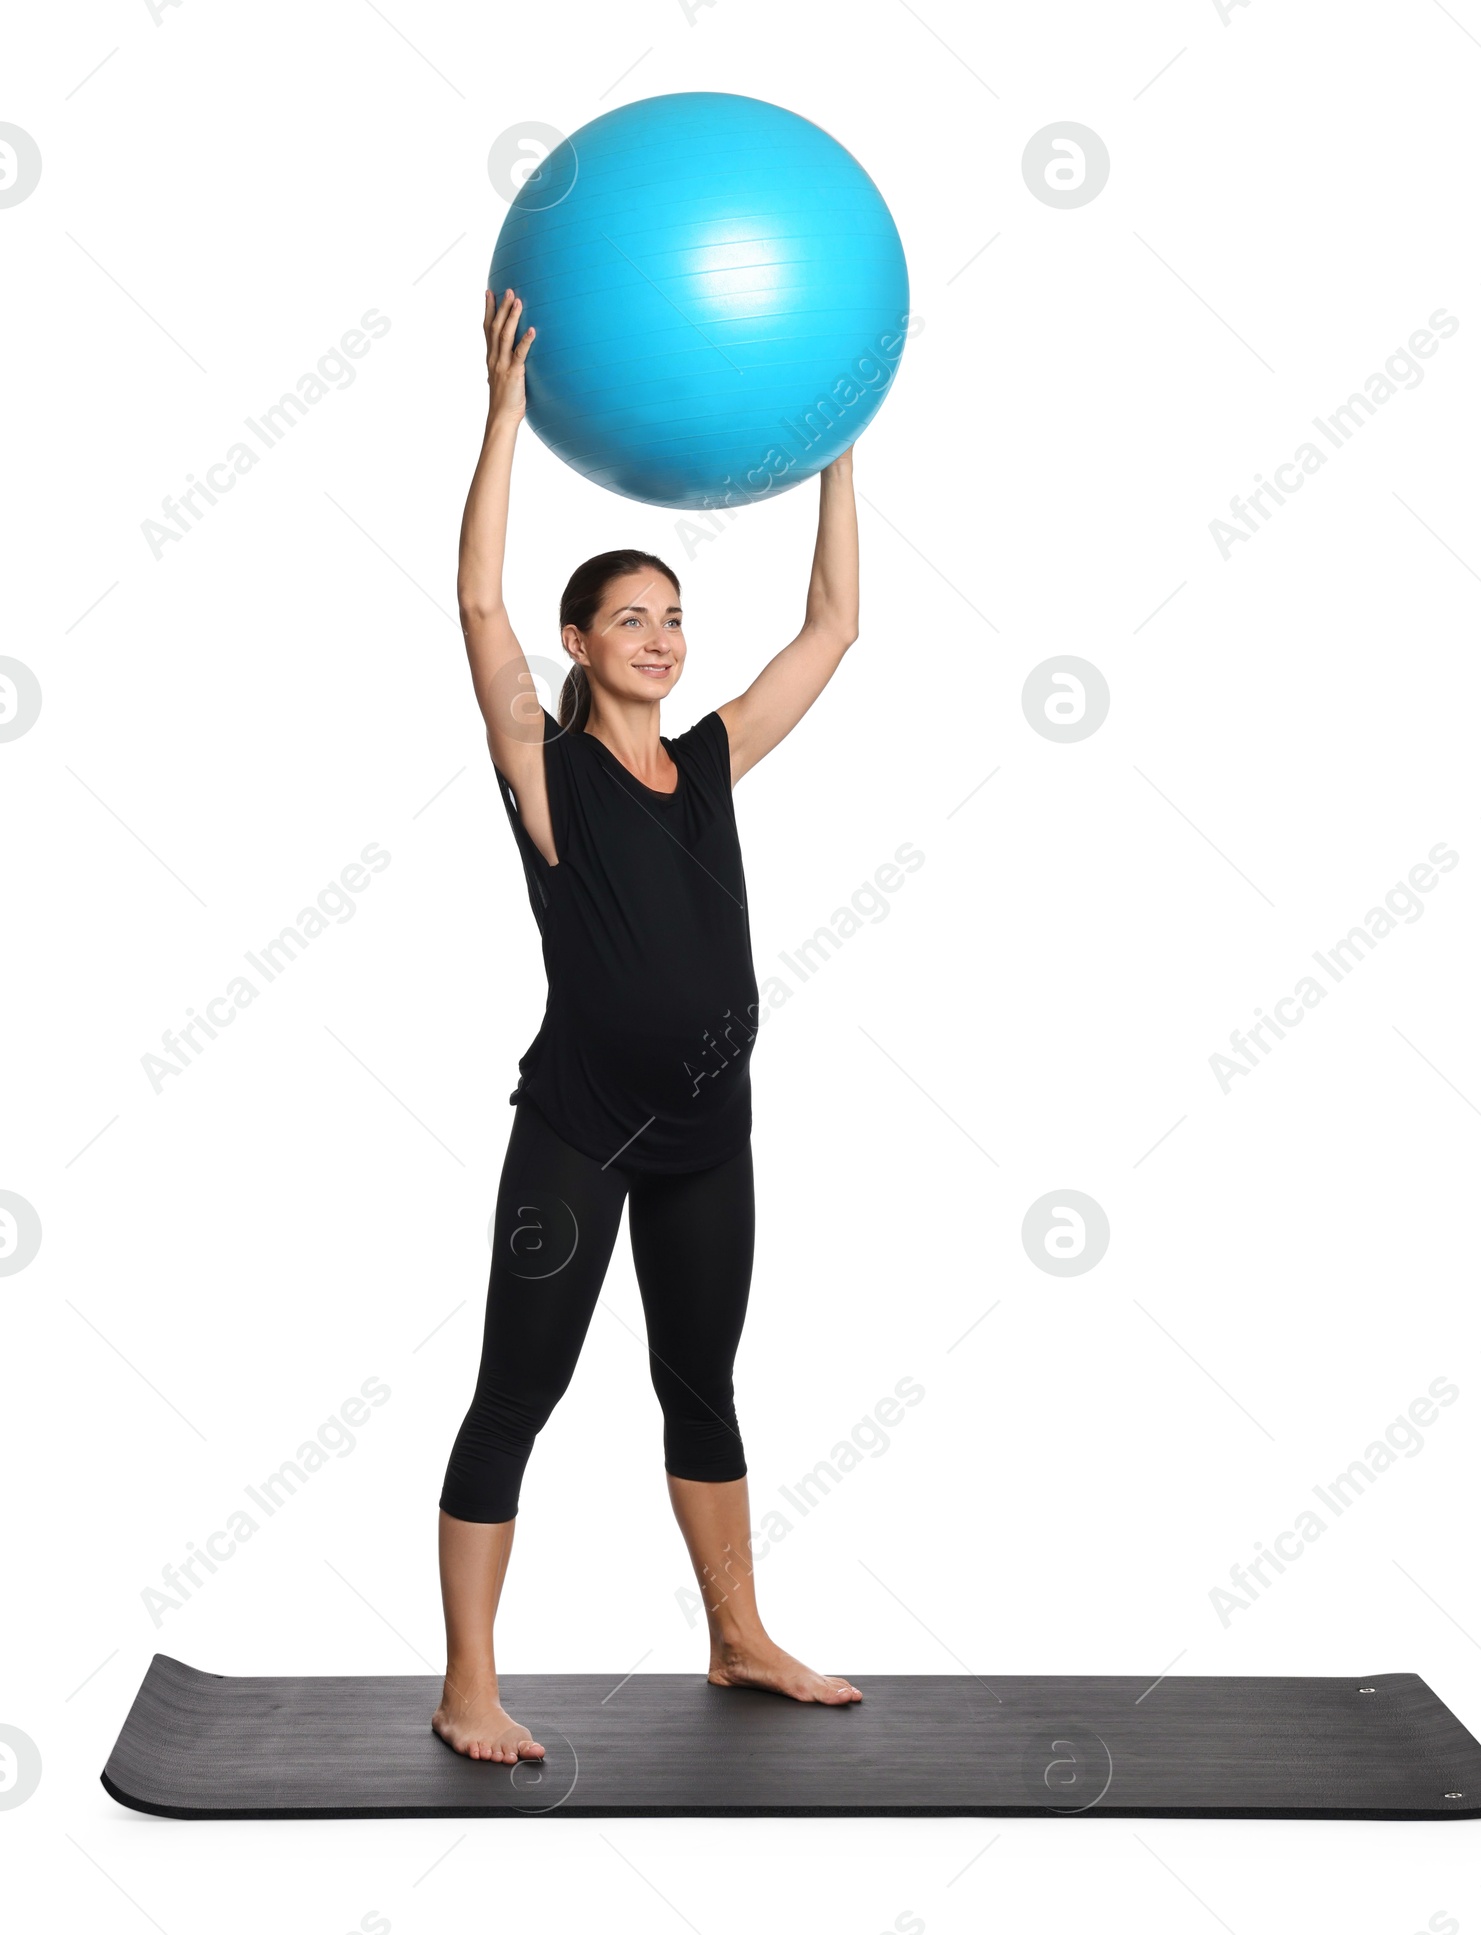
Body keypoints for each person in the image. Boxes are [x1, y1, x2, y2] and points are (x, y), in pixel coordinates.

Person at [432, 289, 865, 1762]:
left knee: (703, 1383)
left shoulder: (712, 761)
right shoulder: (547, 770)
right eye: (633, 619)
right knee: (519, 1390)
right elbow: (480, 613)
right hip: (582, 1133)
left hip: (707, 1135)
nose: (663, 640)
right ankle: (469, 1685)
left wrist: (841, 451)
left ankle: (739, 1638)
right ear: (582, 639)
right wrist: (501, 421)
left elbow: (835, 628)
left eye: (676, 619)